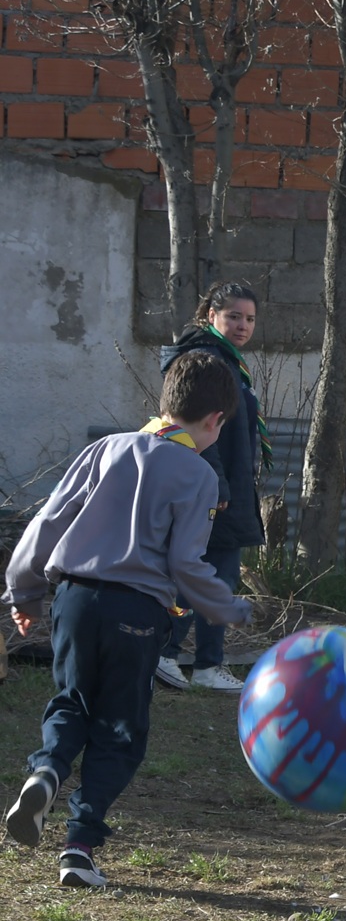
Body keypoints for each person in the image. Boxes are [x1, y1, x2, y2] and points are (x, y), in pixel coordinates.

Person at [4, 353, 253, 888]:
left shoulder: (105, 448)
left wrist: (23, 595)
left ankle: (46, 771)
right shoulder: (200, 474)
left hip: (74, 598)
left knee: (71, 701)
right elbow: (187, 563)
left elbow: (46, 523)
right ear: (215, 422)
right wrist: (226, 606)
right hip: (137, 612)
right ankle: (79, 847)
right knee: (119, 728)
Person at [156, 282, 267, 693]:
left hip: (227, 486)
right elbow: (198, 429)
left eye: (250, 318)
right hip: (209, 486)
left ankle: (206, 665)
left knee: (220, 577)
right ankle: (164, 653)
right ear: (211, 317)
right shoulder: (205, 359)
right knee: (198, 573)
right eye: (233, 316)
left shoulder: (228, 361)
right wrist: (216, 480)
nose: (242, 325)